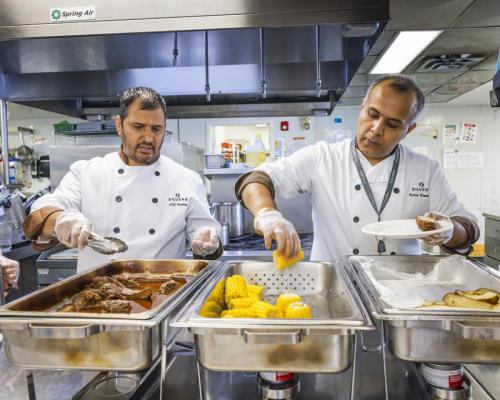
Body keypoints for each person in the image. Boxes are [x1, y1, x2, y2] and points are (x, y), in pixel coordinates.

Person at [236, 74, 479, 261]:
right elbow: (256, 179)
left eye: (393, 124)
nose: (376, 129)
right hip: (337, 287)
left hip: (404, 290)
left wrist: (449, 230)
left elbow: (468, 227)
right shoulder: (323, 157)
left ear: (409, 130)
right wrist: (267, 214)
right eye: (372, 114)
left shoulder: (426, 169)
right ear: (362, 106)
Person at [24, 86, 221, 271]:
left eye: (156, 129)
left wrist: (206, 237)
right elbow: (46, 208)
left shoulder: (186, 179)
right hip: (98, 295)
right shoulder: (87, 173)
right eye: (138, 126)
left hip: (166, 294)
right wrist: (62, 220)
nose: (148, 138)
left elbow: (203, 226)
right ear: (119, 125)